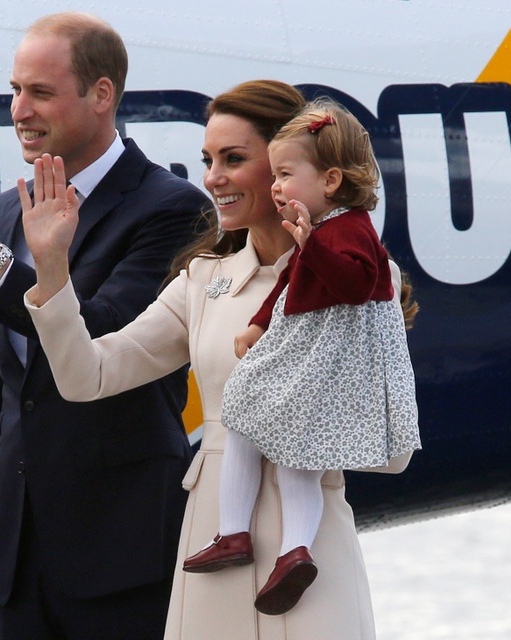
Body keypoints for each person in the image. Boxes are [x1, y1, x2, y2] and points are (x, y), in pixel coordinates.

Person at [21, 80, 416, 639]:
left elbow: (393, 451)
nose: (213, 178)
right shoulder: (204, 280)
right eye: (209, 160)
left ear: (294, 166)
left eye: (235, 159)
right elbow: (90, 376)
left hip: (311, 559)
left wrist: (296, 429)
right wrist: (52, 269)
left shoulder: (368, 279)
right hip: (213, 549)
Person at [0, 11, 206, 639]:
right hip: (23, 561)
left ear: (102, 95)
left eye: (40, 92)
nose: (18, 109)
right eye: (15, 89)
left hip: (124, 555)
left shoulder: (172, 209)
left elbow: (101, 342)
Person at [182, 98, 421, 616]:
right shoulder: (315, 234)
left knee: (255, 424)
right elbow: (290, 285)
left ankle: (252, 539)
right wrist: (259, 321)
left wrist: (309, 245)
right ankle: (279, 549)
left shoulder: (349, 228)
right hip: (305, 347)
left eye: (285, 174)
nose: (276, 187)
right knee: (284, 451)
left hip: (326, 358)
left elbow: (353, 285)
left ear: (331, 179)